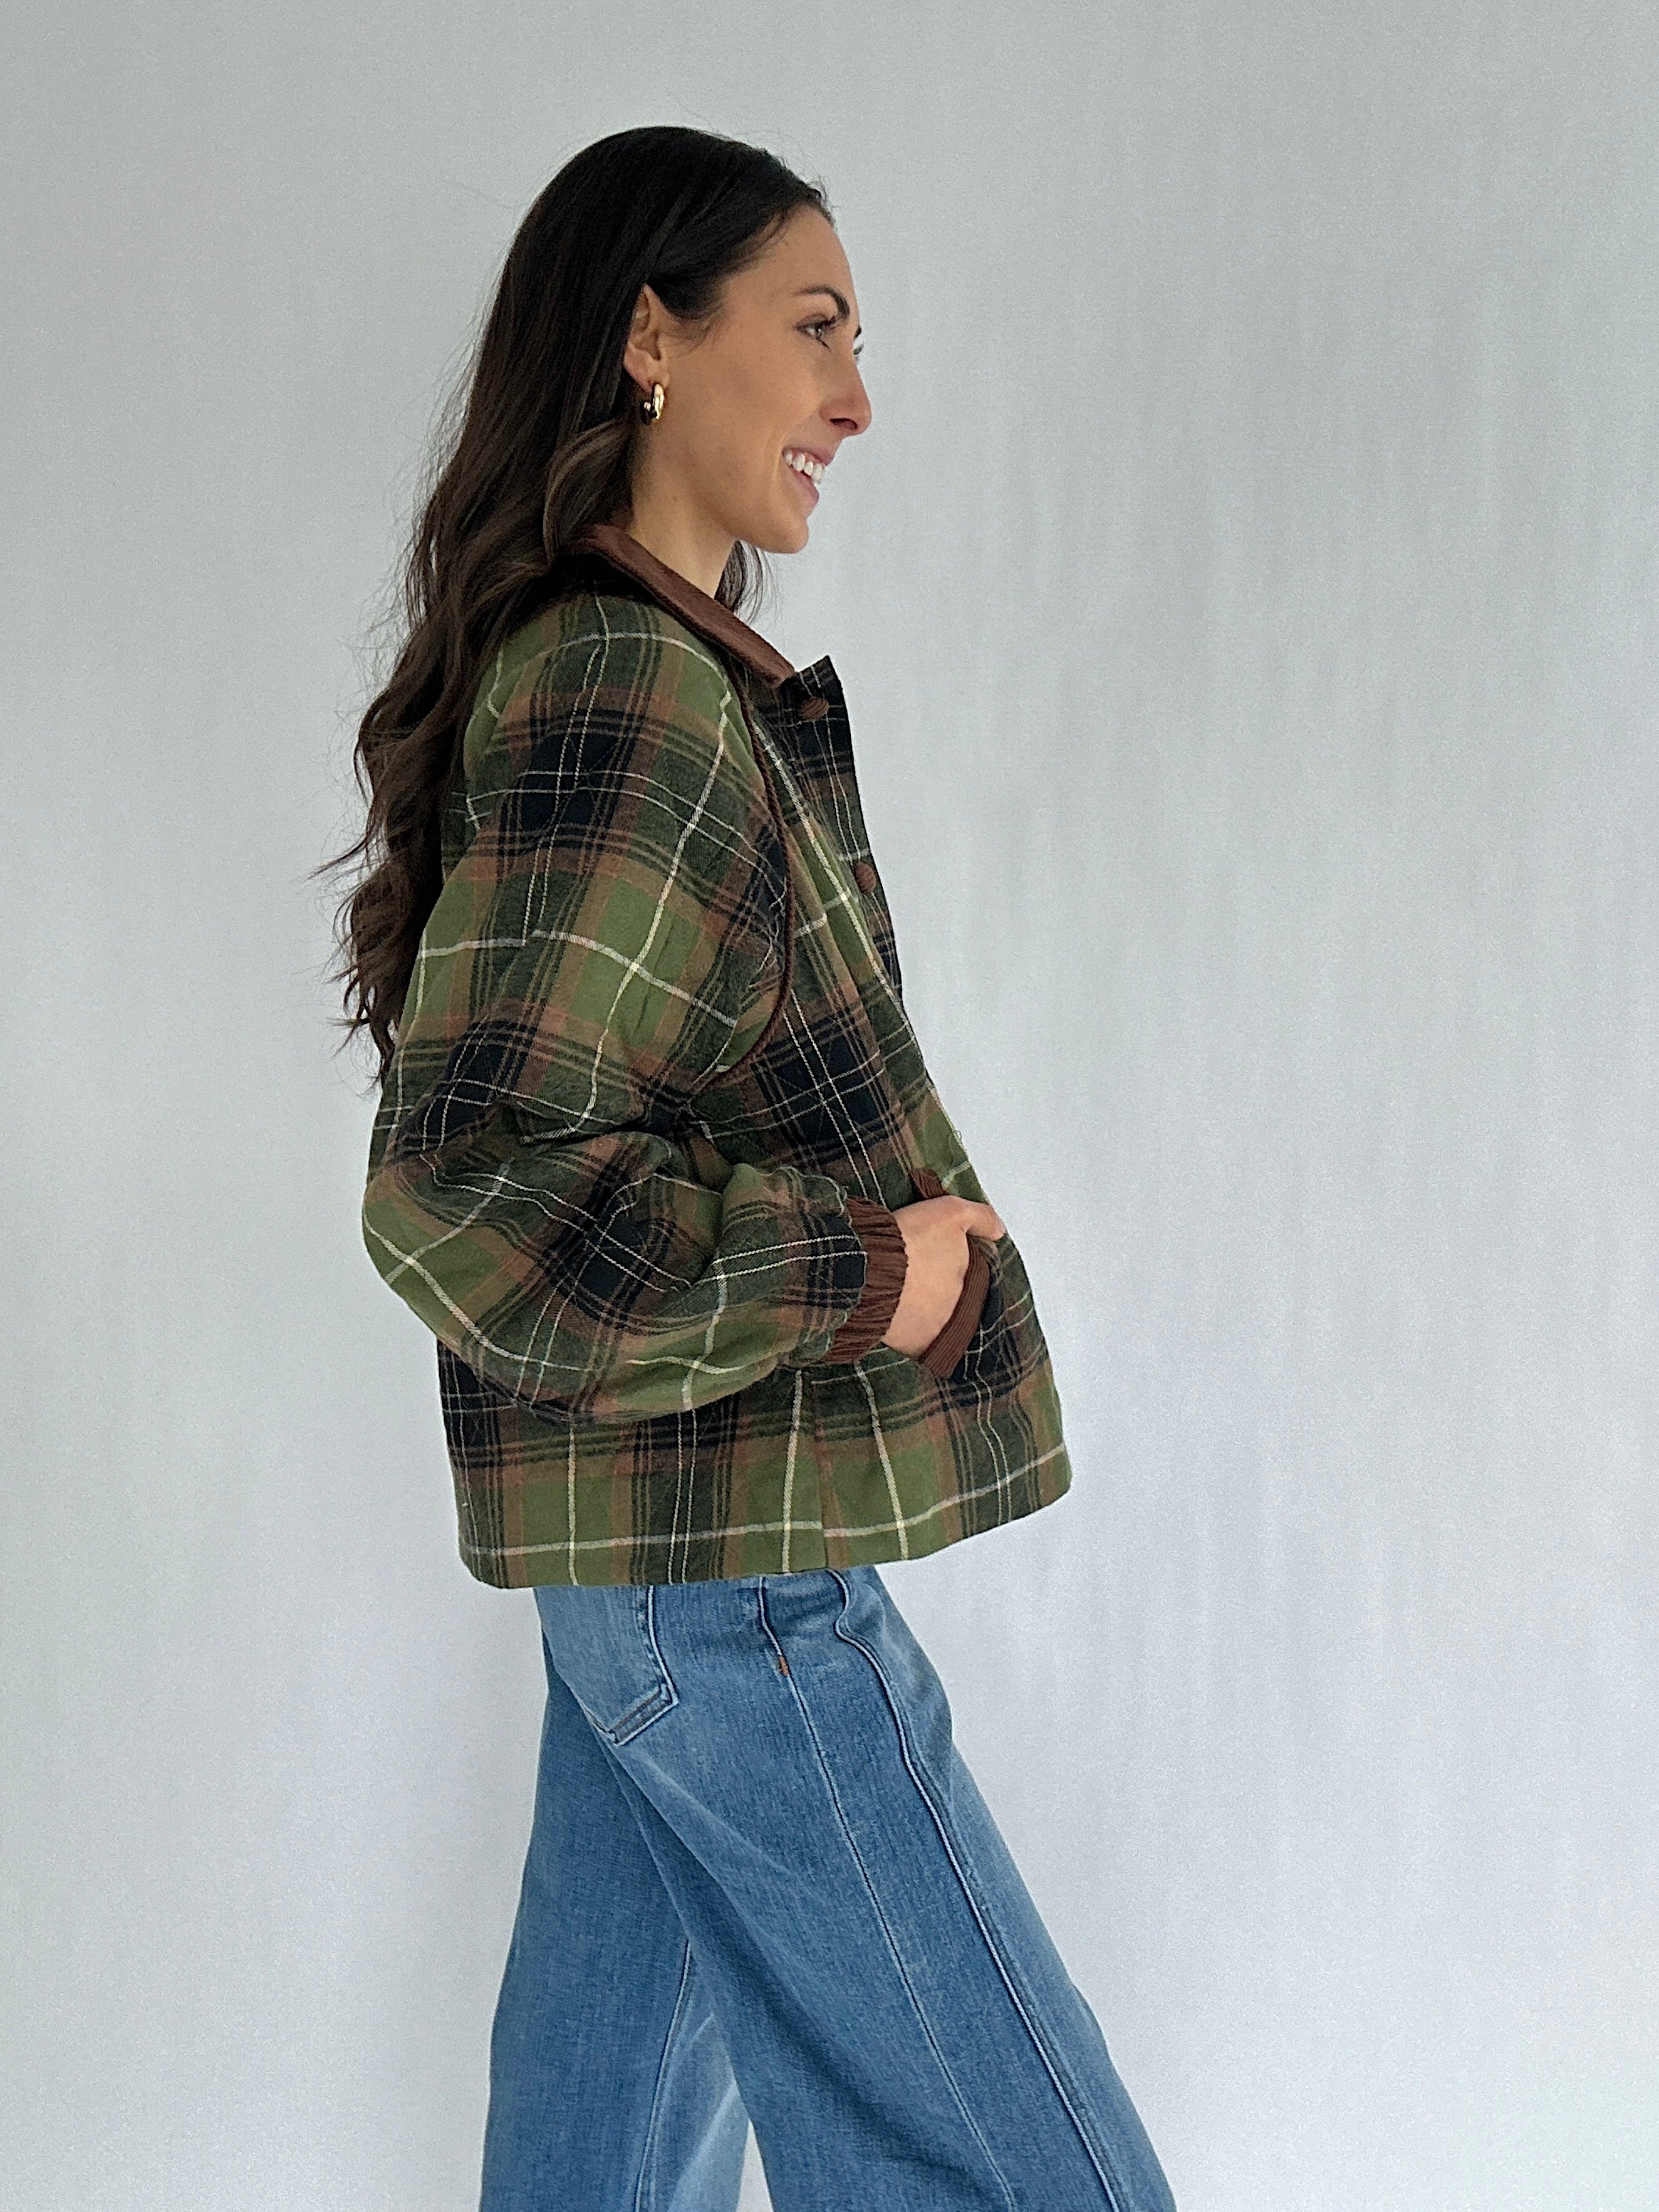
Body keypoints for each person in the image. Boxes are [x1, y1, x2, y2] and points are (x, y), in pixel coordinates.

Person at [323, 123, 1177, 2212]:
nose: (856, 399)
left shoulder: (635, 667)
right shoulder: (622, 683)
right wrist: (856, 1272)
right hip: (727, 1578)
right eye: (814, 330)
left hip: (656, 1569)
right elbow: (466, 1185)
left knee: (600, 2168)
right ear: (646, 336)